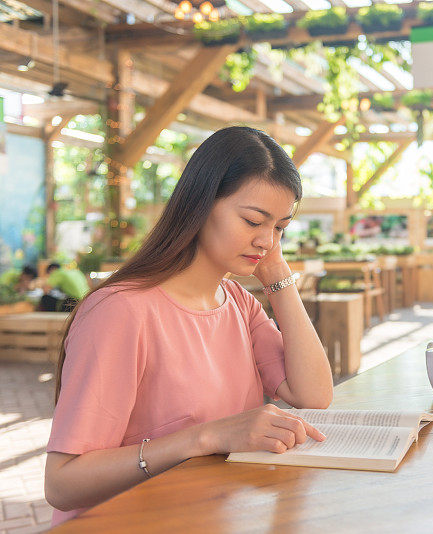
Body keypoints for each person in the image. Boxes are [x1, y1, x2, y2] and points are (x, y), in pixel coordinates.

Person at [44, 127, 333, 527]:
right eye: (253, 220)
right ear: (199, 205)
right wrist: (204, 438)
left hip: (204, 517)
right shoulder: (121, 312)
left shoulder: (238, 303)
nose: (267, 240)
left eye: (280, 227)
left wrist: (277, 275)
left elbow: (314, 394)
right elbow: (62, 484)